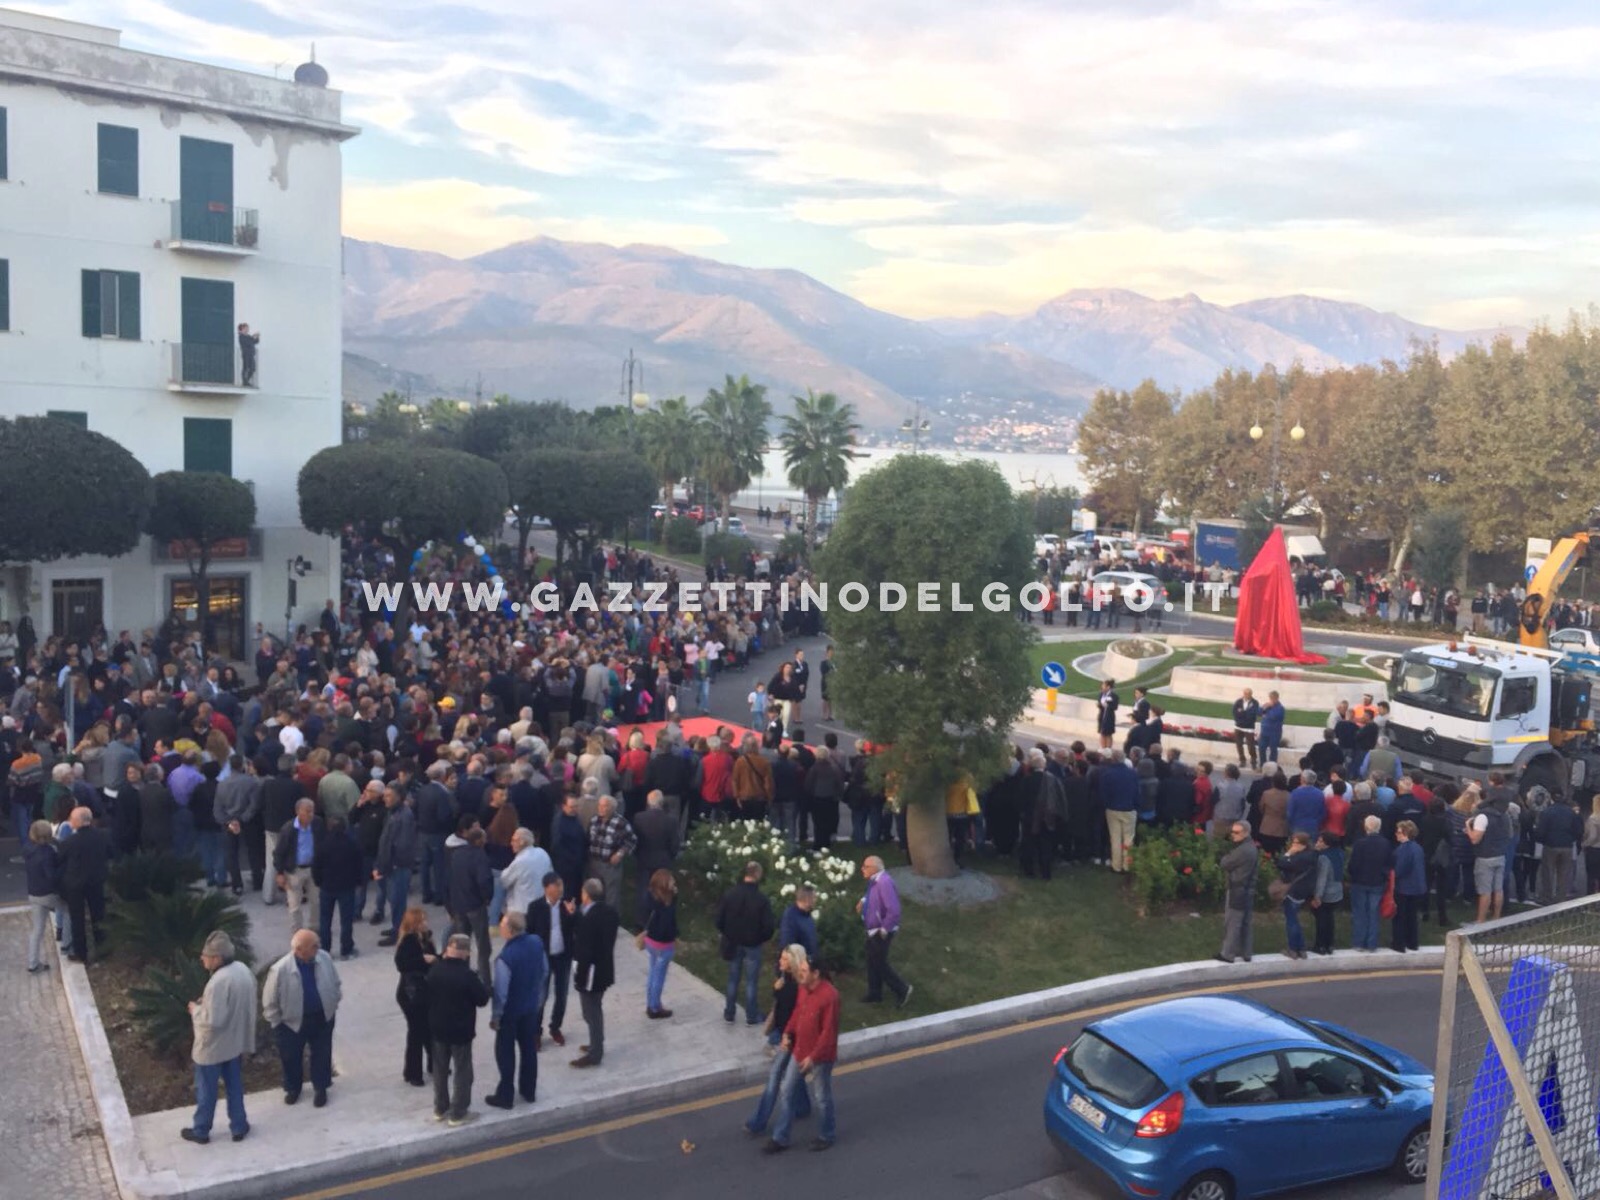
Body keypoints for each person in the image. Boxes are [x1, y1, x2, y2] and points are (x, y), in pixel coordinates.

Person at [761, 951, 841, 1154]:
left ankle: (827, 1134)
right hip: (799, 1051)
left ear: (816, 973)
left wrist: (813, 1058)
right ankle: (781, 1137)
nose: (800, 973)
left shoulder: (830, 997)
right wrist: (787, 1033)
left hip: (820, 1058)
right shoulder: (803, 988)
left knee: (822, 1096)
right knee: (787, 1090)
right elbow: (797, 1013)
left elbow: (828, 1033)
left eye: (804, 970)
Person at [182, 931, 255, 1145]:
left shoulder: (218, 982)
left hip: (212, 1048)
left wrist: (195, 1009)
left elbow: (213, 1020)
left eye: (206, 955)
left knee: (207, 1090)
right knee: (234, 1086)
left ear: (217, 958)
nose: (202, 958)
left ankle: (201, 1130)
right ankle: (239, 1126)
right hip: (234, 1044)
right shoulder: (242, 970)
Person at [262, 929, 343, 1108]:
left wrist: (334, 1002)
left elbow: (335, 982)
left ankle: (321, 1088)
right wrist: (278, 1023)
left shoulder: (324, 958)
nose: (318, 948)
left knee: (322, 1053)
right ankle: (293, 1088)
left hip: (322, 1017)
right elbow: (270, 1000)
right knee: (291, 1056)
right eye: (314, 946)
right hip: (290, 1022)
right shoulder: (280, 969)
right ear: (300, 950)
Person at [746, 944, 813, 1132]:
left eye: (784, 959)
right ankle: (803, 1106)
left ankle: (759, 1122)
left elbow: (796, 1013)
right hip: (784, 1032)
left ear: (793, 962)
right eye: (781, 958)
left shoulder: (798, 986)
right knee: (791, 1074)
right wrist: (776, 989)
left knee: (775, 1076)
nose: (780, 962)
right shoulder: (785, 977)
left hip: (792, 1037)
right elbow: (780, 1003)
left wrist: (787, 1036)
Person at [486, 910, 548, 1109]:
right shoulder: (536, 942)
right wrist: (538, 999)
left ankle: (505, 1095)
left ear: (510, 930)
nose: (500, 927)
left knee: (505, 1052)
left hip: (510, 1012)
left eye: (503, 925)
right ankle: (529, 1091)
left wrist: (496, 1017)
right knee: (529, 1049)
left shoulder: (506, 958)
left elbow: (501, 993)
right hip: (530, 1008)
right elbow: (544, 971)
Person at [426, 932, 490, 1126]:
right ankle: (458, 1112)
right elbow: (482, 999)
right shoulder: (467, 975)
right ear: (465, 952)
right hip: (460, 1031)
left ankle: (440, 1107)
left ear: (448, 949)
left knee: (440, 1069)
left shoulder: (435, 970)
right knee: (462, 1071)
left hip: (438, 1029)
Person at [716, 860, 776, 1025]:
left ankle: (729, 1012)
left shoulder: (730, 894)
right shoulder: (761, 899)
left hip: (733, 942)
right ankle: (751, 1015)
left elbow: (719, 919)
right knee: (751, 981)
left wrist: (727, 933)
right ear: (758, 875)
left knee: (733, 978)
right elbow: (768, 927)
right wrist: (760, 938)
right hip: (752, 945)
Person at [570, 878, 619, 1068]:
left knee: (591, 1012)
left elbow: (585, 949)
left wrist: (579, 976)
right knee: (594, 1009)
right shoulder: (610, 913)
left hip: (591, 973)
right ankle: (596, 1042)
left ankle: (595, 1052)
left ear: (586, 895)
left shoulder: (590, 918)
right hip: (605, 969)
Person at [57, 806, 109, 964]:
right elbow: (110, 853)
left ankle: (81, 953)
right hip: (96, 881)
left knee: (77, 919)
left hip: (75, 884)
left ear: (77, 822)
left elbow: (59, 860)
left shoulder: (70, 841)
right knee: (98, 916)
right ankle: (103, 949)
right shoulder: (102, 836)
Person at [529, 872, 575, 1048]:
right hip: (544, 958)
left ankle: (555, 1027)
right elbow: (530, 932)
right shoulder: (535, 907)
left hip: (563, 956)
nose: (561, 889)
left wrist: (571, 915)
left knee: (561, 995)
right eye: (557, 886)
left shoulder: (566, 905)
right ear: (547, 888)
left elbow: (574, 929)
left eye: (561, 885)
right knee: (541, 996)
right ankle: (535, 1032)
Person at [859, 855, 912, 1006]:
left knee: (879, 963)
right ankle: (874, 993)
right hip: (874, 929)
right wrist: (863, 901)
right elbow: (873, 895)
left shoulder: (884, 882)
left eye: (865, 866)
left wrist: (884, 929)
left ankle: (902, 989)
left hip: (881, 930)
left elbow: (894, 910)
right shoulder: (875, 880)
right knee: (872, 960)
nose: (862, 869)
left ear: (875, 868)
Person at [393, 907, 438, 1087]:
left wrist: (436, 959)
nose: (425, 923)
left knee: (428, 1029)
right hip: (411, 993)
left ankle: (434, 1063)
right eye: (422, 921)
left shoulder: (426, 939)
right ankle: (413, 1072)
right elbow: (402, 964)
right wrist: (424, 960)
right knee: (416, 1031)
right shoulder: (408, 941)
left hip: (424, 991)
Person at [313, 817, 364, 960]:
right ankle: (346, 949)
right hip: (346, 887)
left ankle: (325, 949)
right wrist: (358, 881)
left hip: (327, 886)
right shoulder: (352, 844)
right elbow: (359, 865)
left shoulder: (323, 844)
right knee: (346, 920)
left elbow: (316, 866)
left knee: (325, 920)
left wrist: (318, 882)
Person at [273, 798, 324, 934]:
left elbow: (323, 844)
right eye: (307, 811)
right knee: (294, 904)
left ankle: (314, 928)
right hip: (295, 870)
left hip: (313, 869)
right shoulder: (289, 829)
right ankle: (297, 931)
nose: (310, 814)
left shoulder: (318, 824)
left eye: (312, 811)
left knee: (316, 901)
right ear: (298, 811)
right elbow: (279, 852)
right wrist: (280, 872)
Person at [632, 790, 680, 926]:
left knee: (643, 889)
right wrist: (670, 856)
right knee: (662, 890)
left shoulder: (639, 818)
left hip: (644, 858)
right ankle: (660, 919)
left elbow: (635, 840)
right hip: (663, 860)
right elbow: (674, 844)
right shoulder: (671, 820)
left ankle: (641, 920)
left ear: (648, 802)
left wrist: (637, 854)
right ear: (662, 802)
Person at [1347, 815, 1393, 952]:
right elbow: (1389, 863)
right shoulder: (1386, 843)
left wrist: (1353, 876)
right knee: (1374, 913)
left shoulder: (1359, 844)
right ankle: (1372, 944)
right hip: (1378, 882)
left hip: (1360, 882)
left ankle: (1359, 942)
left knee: (1360, 913)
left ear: (1366, 827)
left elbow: (1353, 864)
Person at [1467, 788, 1513, 923]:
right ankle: (1496, 918)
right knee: (1498, 889)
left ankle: (1480, 921)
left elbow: (1475, 839)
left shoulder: (1483, 816)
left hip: (1485, 857)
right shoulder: (1505, 816)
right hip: (1500, 855)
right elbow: (1509, 834)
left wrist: (1468, 827)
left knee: (1485, 891)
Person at [585, 795, 635, 916]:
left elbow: (631, 841)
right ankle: (595, 917)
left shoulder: (621, 823)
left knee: (611, 896)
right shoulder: (594, 820)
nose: (601, 808)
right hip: (594, 863)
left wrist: (619, 854)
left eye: (605, 806)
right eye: (600, 805)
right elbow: (587, 839)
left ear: (612, 808)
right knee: (595, 893)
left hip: (610, 865)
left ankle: (611, 920)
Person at [638, 869, 678, 1019]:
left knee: (652, 973)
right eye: (671, 880)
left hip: (651, 941)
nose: (674, 882)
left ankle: (650, 1003)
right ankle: (655, 1007)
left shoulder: (650, 897)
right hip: (664, 944)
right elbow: (668, 924)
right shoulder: (666, 904)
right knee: (659, 976)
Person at [1217, 820, 1258, 964]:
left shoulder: (1242, 850)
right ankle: (1246, 953)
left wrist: (1225, 856)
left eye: (1236, 832)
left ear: (1246, 833)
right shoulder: (1251, 847)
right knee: (1245, 922)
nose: (1233, 835)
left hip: (1238, 889)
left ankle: (1228, 954)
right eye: (1232, 832)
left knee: (1233, 922)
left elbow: (1225, 863)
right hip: (1248, 889)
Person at [24, 819, 62, 973]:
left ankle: (33, 963)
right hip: (48, 894)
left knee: (37, 929)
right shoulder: (48, 852)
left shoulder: (27, 849)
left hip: (33, 893)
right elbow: (51, 876)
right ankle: (68, 946)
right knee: (69, 912)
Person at [1536, 791, 1584, 905]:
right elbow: (1579, 831)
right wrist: (1571, 839)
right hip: (1567, 846)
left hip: (1550, 846)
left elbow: (1540, 831)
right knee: (1563, 874)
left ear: (1551, 799)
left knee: (1548, 873)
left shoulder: (1547, 812)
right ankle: (1560, 899)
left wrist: (1543, 841)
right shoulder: (1571, 813)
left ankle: (1547, 898)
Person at [1275, 832, 1317, 960]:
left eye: (1296, 843)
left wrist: (1288, 853)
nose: (1293, 845)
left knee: (1291, 921)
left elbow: (1282, 863)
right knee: (1295, 919)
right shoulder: (1313, 856)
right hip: (1305, 891)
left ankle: (1293, 948)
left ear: (1303, 844)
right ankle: (1301, 948)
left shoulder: (1300, 858)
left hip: (1294, 891)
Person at [1391, 820, 1427, 952]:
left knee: (1400, 917)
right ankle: (1412, 942)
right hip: (1417, 887)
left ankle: (1399, 943)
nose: (1396, 834)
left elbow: (1399, 869)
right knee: (1412, 916)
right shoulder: (1418, 848)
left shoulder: (1403, 849)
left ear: (1406, 833)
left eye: (1399, 832)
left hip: (1404, 887)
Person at [1309, 831, 1344, 956]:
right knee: (1330, 919)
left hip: (1326, 893)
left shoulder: (1323, 857)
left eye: (1320, 841)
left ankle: (1320, 945)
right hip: (1337, 891)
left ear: (1327, 844)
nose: (1317, 843)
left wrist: (1317, 896)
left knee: (1321, 920)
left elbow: (1322, 878)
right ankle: (1330, 944)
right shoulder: (1339, 853)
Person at [778, 883, 819, 966]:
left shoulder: (808, 916)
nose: (816, 900)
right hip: (796, 965)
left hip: (808, 963)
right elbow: (787, 943)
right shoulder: (790, 916)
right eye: (814, 897)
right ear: (807, 898)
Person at [1231, 688, 1260, 770]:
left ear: (1251, 694)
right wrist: (1243, 715)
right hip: (1238, 726)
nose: (1247, 695)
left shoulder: (1255, 703)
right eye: (1245, 693)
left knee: (1251, 746)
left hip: (1249, 728)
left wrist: (1242, 712)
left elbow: (1252, 714)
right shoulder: (1238, 701)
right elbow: (1235, 712)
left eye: (1248, 694)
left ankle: (1253, 761)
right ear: (1243, 693)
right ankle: (1242, 760)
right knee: (1239, 745)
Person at [1258, 691, 1286, 766]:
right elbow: (1259, 712)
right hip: (1264, 732)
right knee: (1261, 748)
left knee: (1273, 750)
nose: (1271, 700)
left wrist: (1265, 713)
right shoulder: (1267, 705)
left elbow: (1273, 717)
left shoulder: (1280, 708)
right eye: (1270, 698)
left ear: (1277, 698)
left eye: (1273, 698)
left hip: (1274, 733)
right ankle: (1262, 765)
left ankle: (1272, 766)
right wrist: (1264, 708)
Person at [1096, 679, 1119, 751]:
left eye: (1103, 685)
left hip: (1109, 717)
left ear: (1108, 687)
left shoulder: (1114, 696)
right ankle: (1102, 748)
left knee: (1108, 733)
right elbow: (1099, 703)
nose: (1102, 687)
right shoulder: (1101, 694)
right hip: (1102, 715)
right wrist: (1100, 705)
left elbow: (1115, 707)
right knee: (1102, 732)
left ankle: (1108, 749)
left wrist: (1108, 705)